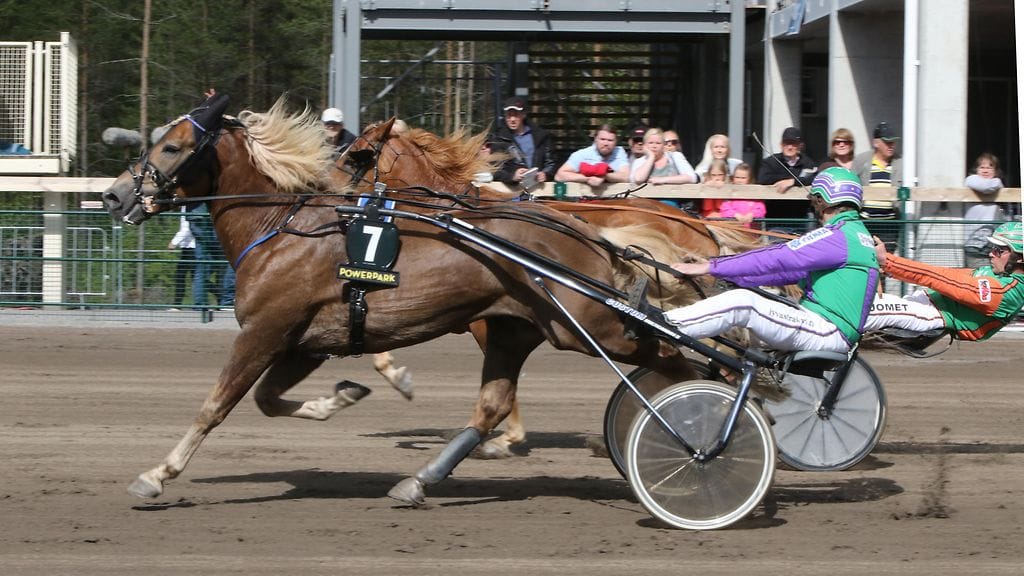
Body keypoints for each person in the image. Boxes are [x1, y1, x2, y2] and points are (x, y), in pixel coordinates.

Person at [666, 167, 879, 353]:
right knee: (739, 304)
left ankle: (665, 327)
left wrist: (710, 266)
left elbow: (777, 258)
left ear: (825, 200)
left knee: (743, 303)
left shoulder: (837, 236)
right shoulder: (854, 234)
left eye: (816, 201)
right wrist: (732, 278)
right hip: (827, 328)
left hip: (826, 329)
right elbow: (789, 273)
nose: (815, 209)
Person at [864, 221, 1024, 341]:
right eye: (992, 249)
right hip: (923, 302)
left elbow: (941, 279)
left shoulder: (1007, 293)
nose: (991, 254)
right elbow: (946, 274)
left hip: (932, 314)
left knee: (860, 311)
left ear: (1020, 258)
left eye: (999, 250)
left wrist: (888, 262)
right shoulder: (997, 273)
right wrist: (891, 270)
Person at [489, 96, 558, 190]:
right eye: (509, 115)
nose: (512, 119)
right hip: (512, 193)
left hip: (540, 192)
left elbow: (552, 163)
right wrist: (512, 176)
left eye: (516, 115)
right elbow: (494, 169)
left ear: (523, 115)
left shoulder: (542, 136)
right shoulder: (498, 139)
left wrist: (545, 174)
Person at [853, 121, 902, 250]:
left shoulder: (900, 163)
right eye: (887, 142)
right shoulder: (861, 160)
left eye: (893, 142)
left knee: (887, 261)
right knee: (865, 257)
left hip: (889, 224)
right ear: (876, 143)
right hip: (865, 223)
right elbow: (852, 183)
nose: (891, 146)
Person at [757, 126, 818, 227]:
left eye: (793, 143)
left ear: (800, 146)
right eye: (786, 143)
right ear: (781, 145)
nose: (789, 147)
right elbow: (763, 179)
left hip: (801, 219)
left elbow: (815, 179)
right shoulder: (771, 162)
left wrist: (793, 182)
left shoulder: (808, 163)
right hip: (775, 219)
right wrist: (787, 179)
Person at [630, 127, 699, 213]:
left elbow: (692, 177)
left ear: (663, 145)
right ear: (645, 145)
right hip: (645, 202)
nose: (654, 146)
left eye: (658, 143)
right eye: (650, 143)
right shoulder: (639, 161)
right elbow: (638, 179)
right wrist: (651, 157)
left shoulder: (675, 156)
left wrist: (663, 180)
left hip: (671, 202)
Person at [962, 153, 1005, 268]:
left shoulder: (995, 184)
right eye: (982, 167)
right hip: (974, 243)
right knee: (977, 277)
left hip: (993, 244)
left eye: (990, 167)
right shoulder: (971, 180)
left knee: (992, 277)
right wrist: (998, 182)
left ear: (996, 171)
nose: (985, 170)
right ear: (976, 169)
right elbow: (986, 187)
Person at [555, 124, 630, 187]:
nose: (606, 143)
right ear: (595, 139)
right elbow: (559, 176)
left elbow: (626, 177)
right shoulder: (582, 154)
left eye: (610, 140)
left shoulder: (619, 151)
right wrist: (588, 178)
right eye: (602, 139)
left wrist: (604, 176)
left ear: (616, 142)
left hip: (614, 200)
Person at [718, 163, 766, 228]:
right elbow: (724, 209)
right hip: (734, 231)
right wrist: (735, 215)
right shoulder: (729, 194)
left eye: (743, 178)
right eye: (737, 177)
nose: (739, 180)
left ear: (750, 179)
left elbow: (760, 209)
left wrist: (752, 214)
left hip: (751, 232)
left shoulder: (754, 194)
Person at [167, 206, 196, 311]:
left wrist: (174, 242)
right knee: (194, 277)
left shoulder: (188, 207)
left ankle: (177, 304)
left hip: (191, 247)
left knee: (182, 275)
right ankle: (221, 298)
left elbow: (186, 228)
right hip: (188, 246)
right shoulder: (185, 207)